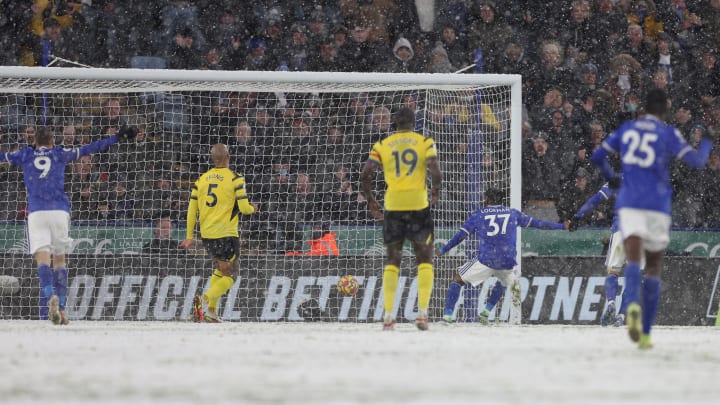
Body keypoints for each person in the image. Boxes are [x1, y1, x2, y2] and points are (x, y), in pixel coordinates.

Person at [591, 88, 713, 349]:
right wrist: (708, 142)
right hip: (657, 204)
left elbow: (597, 156)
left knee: (632, 260)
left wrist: (611, 176)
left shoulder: (627, 129)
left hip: (630, 204)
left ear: (644, 108)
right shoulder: (668, 133)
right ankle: (645, 332)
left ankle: (631, 306)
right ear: (664, 110)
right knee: (654, 267)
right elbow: (697, 162)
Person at [0, 125, 136, 324]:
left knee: (43, 259)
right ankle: (62, 307)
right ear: (53, 141)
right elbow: (91, 148)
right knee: (60, 260)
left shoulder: (25, 154)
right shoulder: (60, 153)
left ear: (34, 142)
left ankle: (49, 297)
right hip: (59, 210)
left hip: (37, 211)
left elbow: (2, 157)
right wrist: (116, 137)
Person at [360, 107, 442, 331]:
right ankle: (423, 313)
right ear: (414, 123)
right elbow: (435, 169)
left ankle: (388, 315)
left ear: (394, 123)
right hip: (418, 206)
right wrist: (435, 190)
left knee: (392, 259)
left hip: (393, 206)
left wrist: (371, 200)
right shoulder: (424, 142)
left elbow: (366, 174)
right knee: (424, 258)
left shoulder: (382, 145)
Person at [437, 188, 568, 324]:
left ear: (487, 200)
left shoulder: (479, 214)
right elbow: (538, 223)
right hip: (507, 260)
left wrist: (444, 249)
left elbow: (461, 235)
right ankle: (486, 313)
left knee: (458, 279)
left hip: (487, 259)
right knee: (505, 281)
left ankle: (447, 317)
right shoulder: (513, 213)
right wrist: (561, 226)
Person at [180, 144, 257, 323]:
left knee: (220, 269)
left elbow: (192, 210)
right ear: (228, 156)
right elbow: (244, 209)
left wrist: (189, 236)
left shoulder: (201, 180)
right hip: (226, 233)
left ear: (213, 159)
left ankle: (211, 312)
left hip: (207, 234)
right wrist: (254, 208)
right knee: (232, 273)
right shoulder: (235, 179)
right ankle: (205, 299)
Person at [568, 176, 643, 327]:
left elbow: (595, 200)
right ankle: (622, 315)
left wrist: (577, 216)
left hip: (620, 230)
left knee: (613, 272)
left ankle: (611, 303)